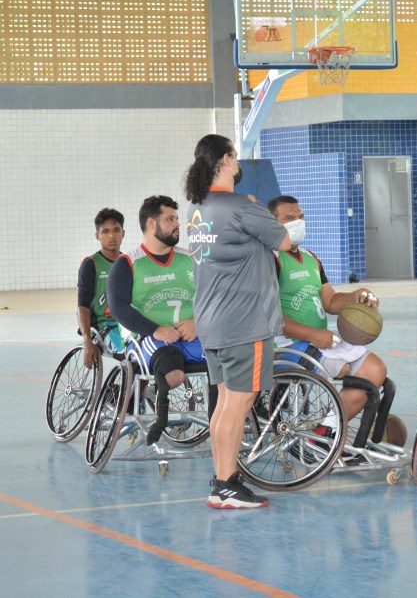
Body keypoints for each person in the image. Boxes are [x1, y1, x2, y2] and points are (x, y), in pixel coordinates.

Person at [184, 134, 290, 510]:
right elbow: (285, 241)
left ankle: (222, 478)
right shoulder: (242, 206)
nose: (238, 161)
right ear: (227, 160)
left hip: (212, 321)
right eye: (235, 155)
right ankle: (225, 484)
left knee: (226, 401)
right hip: (244, 321)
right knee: (239, 401)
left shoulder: (197, 209)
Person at [267, 195, 387, 425]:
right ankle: (327, 433)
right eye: (289, 218)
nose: (298, 223)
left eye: (301, 217)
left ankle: (325, 431)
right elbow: (269, 317)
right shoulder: (270, 259)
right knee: (344, 369)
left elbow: (330, 301)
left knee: (375, 370)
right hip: (287, 347)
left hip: (318, 342)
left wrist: (355, 296)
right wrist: (313, 334)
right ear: (272, 223)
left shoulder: (311, 258)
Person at [106, 196, 205, 447]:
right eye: (170, 219)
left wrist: (198, 322)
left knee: (226, 361)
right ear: (151, 223)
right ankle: (157, 414)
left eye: (176, 219)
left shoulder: (191, 259)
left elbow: (213, 296)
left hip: (191, 334)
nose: (177, 224)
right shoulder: (128, 263)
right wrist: (155, 329)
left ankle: (220, 422)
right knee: (174, 375)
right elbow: (118, 307)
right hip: (148, 338)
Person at [77, 207, 125, 369]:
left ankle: (138, 384)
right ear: (97, 236)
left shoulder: (128, 262)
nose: (112, 236)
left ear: (123, 234)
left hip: (127, 324)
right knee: (134, 354)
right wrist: (87, 340)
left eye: (116, 230)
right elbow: (82, 306)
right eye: (105, 231)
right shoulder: (91, 264)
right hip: (103, 328)